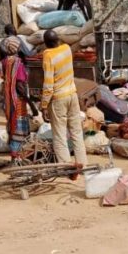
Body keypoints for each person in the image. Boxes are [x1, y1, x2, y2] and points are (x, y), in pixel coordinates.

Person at [41, 29, 87, 164]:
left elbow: (48, 84)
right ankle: (83, 164)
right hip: (72, 95)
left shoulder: (48, 55)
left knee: (60, 136)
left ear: (45, 43)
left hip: (58, 99)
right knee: (76, 133)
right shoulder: (66, 49)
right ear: (58, 40)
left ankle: (67, 168)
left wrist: (44, 105)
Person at [0, 37, 38, 161]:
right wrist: (32, 105)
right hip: (17, 101)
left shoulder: (3, 62)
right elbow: (20, 87)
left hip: (7, 100)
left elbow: (1, 75)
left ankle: (14, 157)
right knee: (19, 128)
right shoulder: (18, 63)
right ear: (18, 48)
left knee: (12, 126)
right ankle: (18, 157)